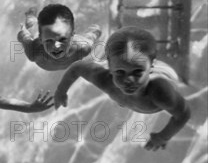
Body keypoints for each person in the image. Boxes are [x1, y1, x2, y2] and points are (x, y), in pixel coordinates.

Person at [54, 26, 191, 151]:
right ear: (109, 66)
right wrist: (61, 90)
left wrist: (163, 137)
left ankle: (152, 60)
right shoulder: (105, 80)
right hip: (139, 68)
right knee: (128, 58)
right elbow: (76, 68)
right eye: (120, 72)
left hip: (166, 73)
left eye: (137, 72)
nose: (128, 80)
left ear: (151, 66)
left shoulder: (160, 92)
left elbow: (183, 114)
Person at [16, 4, 102, 71]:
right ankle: (30, 14)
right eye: (49, 41)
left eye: (62, 39)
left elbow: (92, 37)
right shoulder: (34, 52)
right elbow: (23, 37)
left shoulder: (83, 48)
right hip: (39, 40)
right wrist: (23, 32)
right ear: (41, 39)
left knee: (94, 33)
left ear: (73, 35)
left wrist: (96, 31)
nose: (56, 46)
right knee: (32, 25)